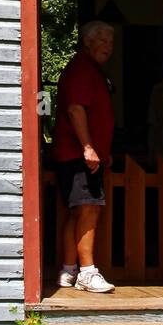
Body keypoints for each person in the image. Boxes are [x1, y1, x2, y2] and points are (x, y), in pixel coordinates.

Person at [51, 20, 116, 293]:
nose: (108, 47)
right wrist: (89, 148)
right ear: (88, 42)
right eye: (103, 41)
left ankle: (69, 270)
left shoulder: (89, 69)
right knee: (89, 209)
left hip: (77, 154)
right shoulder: (82, 69)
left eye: (111, 43)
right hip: (79, 155)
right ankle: (87, 273)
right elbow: (76, 109)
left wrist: (102, 151)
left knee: (77, 212)